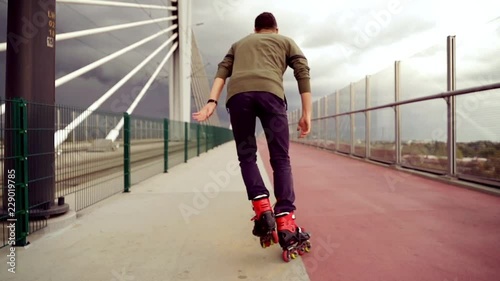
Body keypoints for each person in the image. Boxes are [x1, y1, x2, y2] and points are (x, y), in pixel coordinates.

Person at [192, 12, 312, 261]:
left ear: (255, 30)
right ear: (275, 29)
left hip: (239, 97)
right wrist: (307, 113)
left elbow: (222, 71)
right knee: (280, 159)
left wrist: (211, 102)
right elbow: (302, 72)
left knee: (247, 157)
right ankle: (286, 222)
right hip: (271, 94)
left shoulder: (239, 43)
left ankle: (262, 209)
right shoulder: (286, 41)